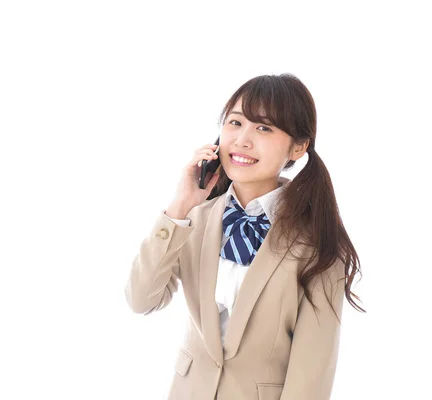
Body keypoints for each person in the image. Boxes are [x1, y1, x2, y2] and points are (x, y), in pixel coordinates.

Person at [124, 73, 365, 400]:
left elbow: (312, 375)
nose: (242, 140)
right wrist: (178, 209)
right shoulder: (193, 221)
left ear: (298, 147)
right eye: (235, 123)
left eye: (264, 128)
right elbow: (141, 300)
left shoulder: (318, 245)